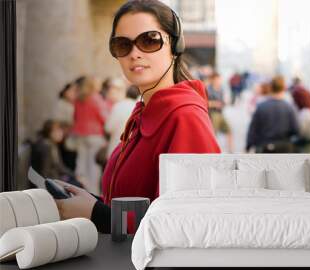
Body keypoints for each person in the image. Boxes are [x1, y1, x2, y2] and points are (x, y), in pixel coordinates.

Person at [55, 0, 221, 233]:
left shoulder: (185, 117)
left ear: (175, 46)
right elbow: (133, 201)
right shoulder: (143, 112)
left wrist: (97, 214)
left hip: (148, 268)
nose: (134, 53)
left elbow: (188, 225)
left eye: (149, 40)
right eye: (123, 45)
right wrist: (91, 202)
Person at [70, 75, 109, 194]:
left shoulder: (78, 99)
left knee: (81, 166)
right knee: (94, 168)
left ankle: (78, 191)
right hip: (95, 136)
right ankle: (93, 194)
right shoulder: (96, 98)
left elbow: (75, 117)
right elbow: (104, 117)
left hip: (80, 135)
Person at [246, 75, 299, 153]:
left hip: (264, 148)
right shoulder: (289, 108)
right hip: (284, 150)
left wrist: (248, 146)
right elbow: (295, 130)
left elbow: (253, 129)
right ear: (284, 88)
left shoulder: (261, 107)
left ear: (270, 88)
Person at [30, 120, 81, 187]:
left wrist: (75, 175)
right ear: (50, 132)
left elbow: (60, 166)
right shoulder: (46, 147)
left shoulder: (52, 145)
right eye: (58, 131)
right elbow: (44, 172)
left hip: (54, 180)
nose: (61, 134)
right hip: (48, 184)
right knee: (77, 185)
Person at [105, 84, 140, 159]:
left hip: (115, 145)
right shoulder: (139, 109)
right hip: (130, 150)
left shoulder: (118, 106)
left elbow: (108, 128)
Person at [207, 72, 234, 152]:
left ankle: (231, 151)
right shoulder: (208, 89)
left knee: (229, 130)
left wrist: (225, 102)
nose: (219, 81)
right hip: (213, 114)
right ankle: (211, 151)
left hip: (220, 113)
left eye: (220, 79)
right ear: (212, 80)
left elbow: (223, 101)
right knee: (213, 135)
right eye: (217, 79)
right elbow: (205, 102)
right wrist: (215, 103)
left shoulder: (221, 89)